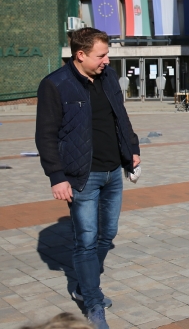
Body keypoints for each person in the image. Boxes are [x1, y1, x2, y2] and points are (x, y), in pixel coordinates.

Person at [35, 28, 140, 329]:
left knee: (107, 234)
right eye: (101, 55)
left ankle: (83, 285)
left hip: (113, 173)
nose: (106, 60)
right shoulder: (55, 85)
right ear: (80, 55)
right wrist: (57, 176)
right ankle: (93, 302)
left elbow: (121, 116)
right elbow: (46, 136)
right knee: (86, 241)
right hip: (82, 177)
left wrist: (132, 149)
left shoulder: (108, 78)